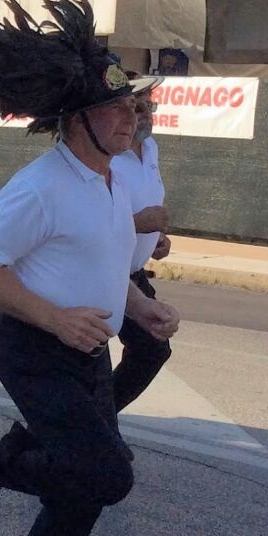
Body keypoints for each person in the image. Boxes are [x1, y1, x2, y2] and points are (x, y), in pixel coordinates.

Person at [0, 0, 180, 536]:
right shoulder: (39, 185)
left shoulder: (108, 182)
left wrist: (140, 307)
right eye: (116, 109)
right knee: (109, 475)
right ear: (78, 122)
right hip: (34, 347)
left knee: (82, 495)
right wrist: (52, 317)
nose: (129, 118)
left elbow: (100, 264)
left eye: (132, 108)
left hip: (85, 349)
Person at [110, 87, 173, 411]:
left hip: (132, 272)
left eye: (149, 105)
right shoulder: (108, 156)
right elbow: (91, 219)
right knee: (148, 348)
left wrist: (156, 237)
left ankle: (98, 420)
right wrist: (138, 222)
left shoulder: (150, 148)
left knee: (152, 348)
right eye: (136, 107)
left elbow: (148, 205)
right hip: (103, 270)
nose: (146, 114)